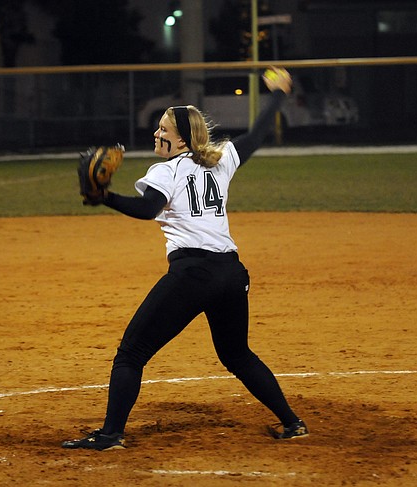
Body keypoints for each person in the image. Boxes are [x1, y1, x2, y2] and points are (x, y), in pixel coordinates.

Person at [62, 67, 307, 451]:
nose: (156, 134)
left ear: (181, 138)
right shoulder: (220, 160)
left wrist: (103, 197)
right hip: (231, 273)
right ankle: (293, 423)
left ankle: (110, 435)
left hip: (194, 274)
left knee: (131, 354)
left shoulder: (167, 170)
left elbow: (147, 209)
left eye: (163, 129)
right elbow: (258, 134)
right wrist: (279, 93)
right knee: (237, 355)